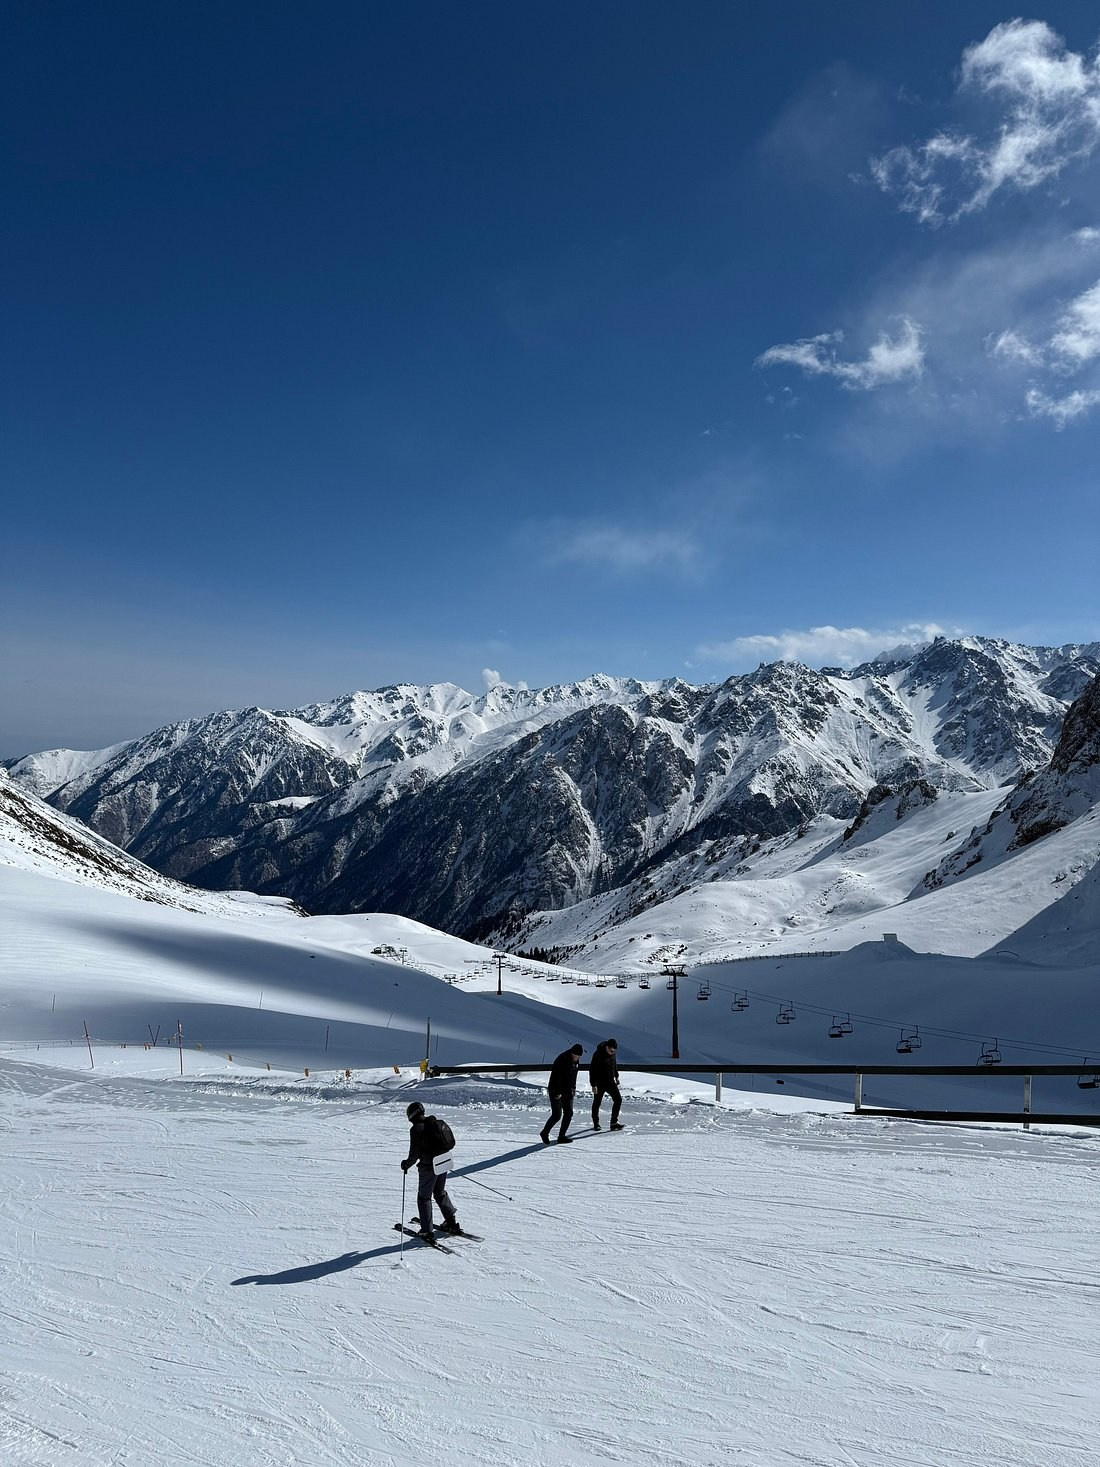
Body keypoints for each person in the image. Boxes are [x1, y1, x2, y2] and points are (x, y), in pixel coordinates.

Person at [401, 1100, 461, 1241]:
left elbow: (414, 1154)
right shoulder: (432, 1123)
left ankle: (427, 1231)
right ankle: (451, 1222)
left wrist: (406, 1164)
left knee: (424, 1197)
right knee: (439, 1192)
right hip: (443, 1162)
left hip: (429, 1167)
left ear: (411, 1115)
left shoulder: (416, 1129)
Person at [541, 1044, 583, 1144]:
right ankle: (544, 1132)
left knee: (569, 1113)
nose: (577, 1058)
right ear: (572, 1052)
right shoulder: (562, 1059)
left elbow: (574, 1075)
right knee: (557, 1115)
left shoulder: (576, 1061)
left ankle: (562, 1136)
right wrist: (557, 1092)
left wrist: (573, 1087)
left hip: (568, 1090)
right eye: (576, 1055)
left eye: (579, 1056)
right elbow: (556, 1077)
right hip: (556, 1090)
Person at [589, 1038, 623, 1130]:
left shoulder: (612, 1053)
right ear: (607, 1047)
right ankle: (596, 1123)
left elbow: (614, 1065)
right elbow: (592, 1070)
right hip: (599, 1083)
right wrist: (593, 1084)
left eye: (614, 1051)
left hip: (610, 1082)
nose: (612, 1053)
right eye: (611, 1051)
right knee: (597, 1102)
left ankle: (614, 1123)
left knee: (618, 1099)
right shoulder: (597, 1055)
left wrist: (616, 1076)